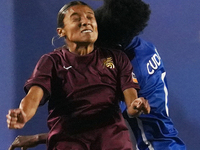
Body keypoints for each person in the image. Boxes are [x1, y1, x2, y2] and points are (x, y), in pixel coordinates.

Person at [8, 0, 186, 150]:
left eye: (90, 19)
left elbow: (97, 123)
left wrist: (40, 137)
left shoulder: (128, 65)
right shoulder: (142, 47)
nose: (86, 24)